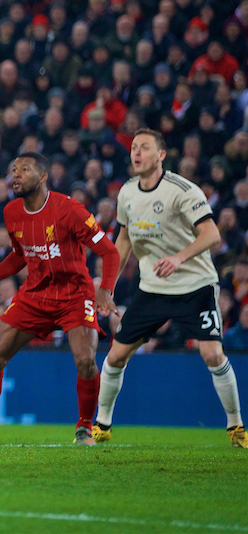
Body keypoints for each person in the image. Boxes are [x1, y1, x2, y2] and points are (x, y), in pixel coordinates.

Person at [97, 129, 244, 448]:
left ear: (161, 155)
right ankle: (102, 424)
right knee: (115, 357)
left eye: (145, 148)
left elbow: (211, 235)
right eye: (134, 147)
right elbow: (122, 241)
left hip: (195, 285)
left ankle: (236, 427)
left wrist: (178, 258)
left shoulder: (182, 190)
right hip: (153, 289)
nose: (136, 153)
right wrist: (107, 285)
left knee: (213, 354)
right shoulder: (127, 193)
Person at [0, 152, 122, 445]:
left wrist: (105, 289)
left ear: (43, 177)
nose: (15, 175)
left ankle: (84, 427)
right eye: (13, 169)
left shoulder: (70, 210)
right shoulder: (11, 212)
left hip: (74, 295)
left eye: (24, 169)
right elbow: (20, 256)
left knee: (85, 361)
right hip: (34, 294)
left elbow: (110, 251)